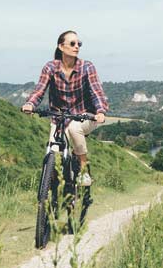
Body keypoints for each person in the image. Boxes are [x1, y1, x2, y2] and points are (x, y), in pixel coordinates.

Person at [21, 29, 108, 187]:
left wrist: (100, 111)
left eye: (79, 44)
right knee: (52, 149)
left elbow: (97, 92)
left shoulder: (87, 67)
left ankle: (83, 170)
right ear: (61, 47)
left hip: (85, 115)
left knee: (75, 129)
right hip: (59, 116)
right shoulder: (50, 67)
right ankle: (50, 188)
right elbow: (40, 89)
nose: (77, 47)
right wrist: (30, 104)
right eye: (72, 43)